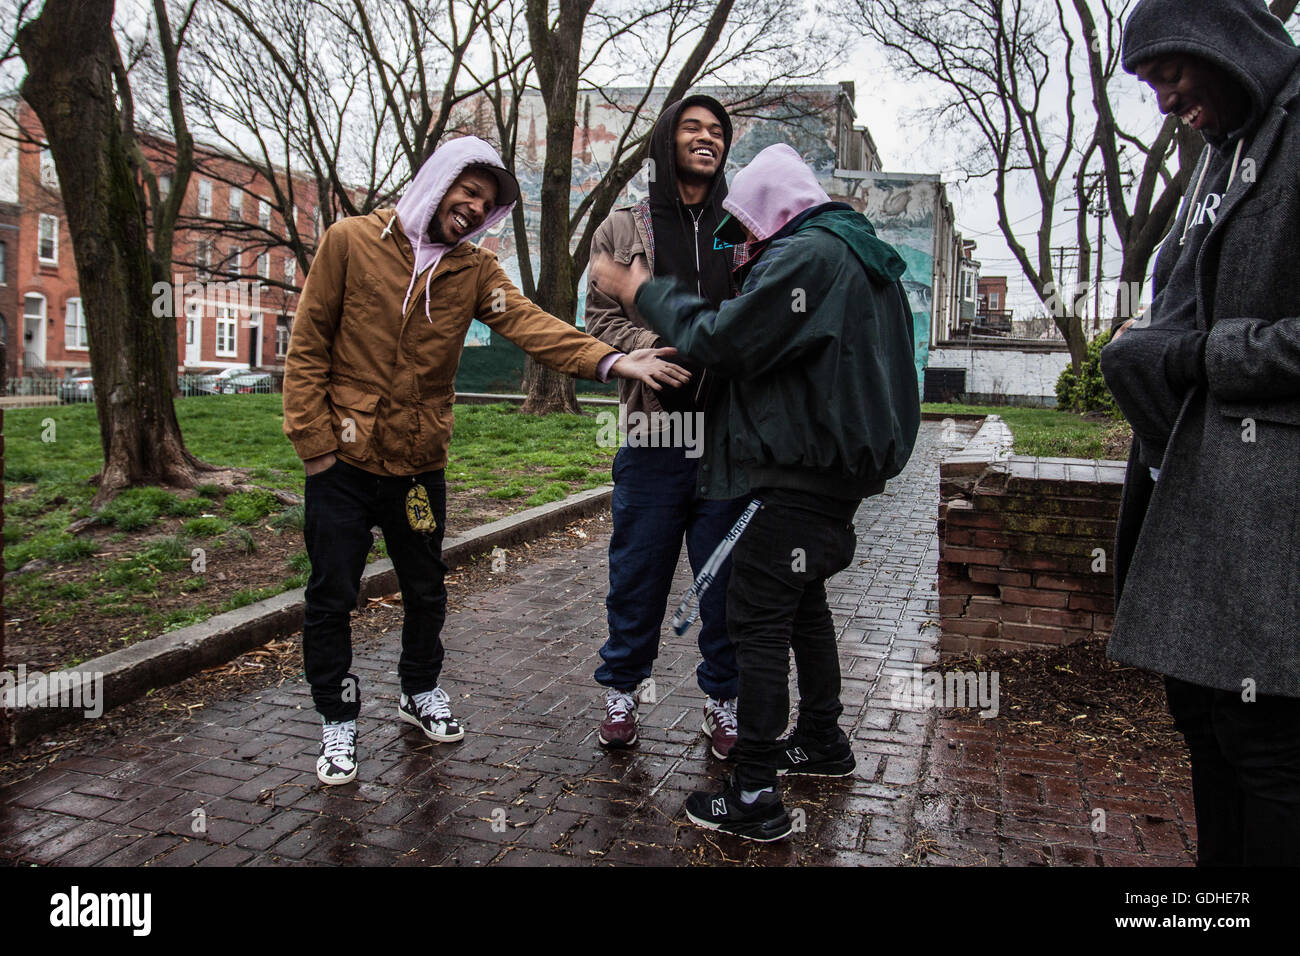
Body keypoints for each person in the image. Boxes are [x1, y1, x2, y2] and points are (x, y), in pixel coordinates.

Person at [283, 135, 689, 786]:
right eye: (468, 192)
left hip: (418, 467)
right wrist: (316, 452)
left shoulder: (472, 272)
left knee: (425, 588)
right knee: (332, 596)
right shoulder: (350, 243)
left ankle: (420, 692)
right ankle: (338, 718)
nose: (474, 208)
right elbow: (306, 351)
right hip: (344, 465)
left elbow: (533, 326)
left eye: (486, 202)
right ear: (439, 182)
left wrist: (613, 360)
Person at [592, 143, 921, 841]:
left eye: (744, 231)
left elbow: (723, 339)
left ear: (773, 208)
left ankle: (753, 796)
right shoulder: (865, 258)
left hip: (794, 474)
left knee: (757, 621)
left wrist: (639, 291)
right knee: (804, 607)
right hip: (840, 476)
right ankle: (824, 741)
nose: (741, 249)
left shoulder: (808, 257)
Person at [1100, 0, 1300, 866]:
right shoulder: (1226, 153)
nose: (1162, 104)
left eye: (1167, 77)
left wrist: (1204, 357)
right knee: (1208, 724)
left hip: (1268, 524)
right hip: (1192, 497)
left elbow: (1214, 339)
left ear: (1215, 42)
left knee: (1268, 748)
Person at [584, 94, 748, 758]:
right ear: (667, 141)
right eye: (693, 128)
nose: (706, 138)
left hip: (729, 439)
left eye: (717, 132)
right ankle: (622, 691)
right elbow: (597, 320)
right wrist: (639, 352)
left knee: (727, 582)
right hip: (655, 435)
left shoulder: (744, 227)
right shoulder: (622, 227)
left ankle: (724, 704)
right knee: (638, 571)